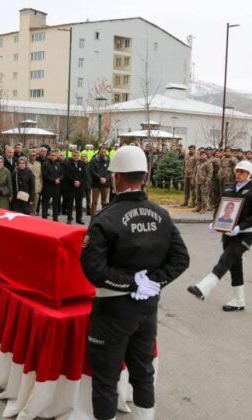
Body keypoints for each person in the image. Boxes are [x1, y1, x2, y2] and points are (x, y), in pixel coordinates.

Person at [80, 145, 189, 420]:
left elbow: (94, 269)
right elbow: (180, 259)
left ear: (117, 178)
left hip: (112, 311)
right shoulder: (162, 215)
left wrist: (133, 283)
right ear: (144, 176)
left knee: (105, 379)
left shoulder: (105, 218)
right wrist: (152, 282)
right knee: (143, 373)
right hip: (146, 311)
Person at [188, 160, 252, 312]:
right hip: (228, 233)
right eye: (237, 171)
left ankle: (203, 288)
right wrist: (215, 223)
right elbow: (221, 206)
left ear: (250, 175)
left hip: (245, 234)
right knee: (235, 265)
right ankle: (239, 300)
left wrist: (239, 227)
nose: (238, 174)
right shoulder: (229, 187)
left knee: (225, 260)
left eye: (242, 172)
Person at [62, 150, 86, 224]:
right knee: (70, 204)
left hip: (79, 187)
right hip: (71, 187)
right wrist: (74, 182)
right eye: (74, 156)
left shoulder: (82, 164)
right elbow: (67, 175)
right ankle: (69, 219)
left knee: (79, 205)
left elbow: (84, 175)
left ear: (79, 156)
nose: (76, 157)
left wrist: (79, 182)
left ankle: (79, 219)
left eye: (77, 156)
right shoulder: (67, 164)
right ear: (72, 156)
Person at [41, 149, 63, 221]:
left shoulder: (58, 164)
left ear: (56, 156)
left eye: (55, 155)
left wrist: (59, 179)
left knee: (55, 203)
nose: (53, 157)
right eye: (52, 155)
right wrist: (54, 180)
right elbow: (45, 175)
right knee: (45, 203)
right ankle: (44, 218)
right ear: (49, 156)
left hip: (56, 187)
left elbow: (62, 174)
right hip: (47, 187)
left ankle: (55, 218)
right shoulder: (45, 164)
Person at [89, 146, 111, 214]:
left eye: (104, 152)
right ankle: (92, 219)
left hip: (105, 184)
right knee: (94, 202)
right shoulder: (93, 160)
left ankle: (102, 219)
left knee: (104, 202)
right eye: (102, 152)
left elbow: (110, 171)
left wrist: (106, 178)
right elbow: (92, 171)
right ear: (99, 151)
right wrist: (100, 178)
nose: (103, 153)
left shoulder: (108, 159)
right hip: (96, 184)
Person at [27, 148, 43, 215]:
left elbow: (41, 176)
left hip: (36, 187)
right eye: (32, 155)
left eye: (34, 155)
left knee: (35, 204)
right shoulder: (26, 163)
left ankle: (33, 216)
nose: (33, 156)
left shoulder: (39, 164)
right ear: (29, 155)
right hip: (27, 188)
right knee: (27, 205)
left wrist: (41, 186)